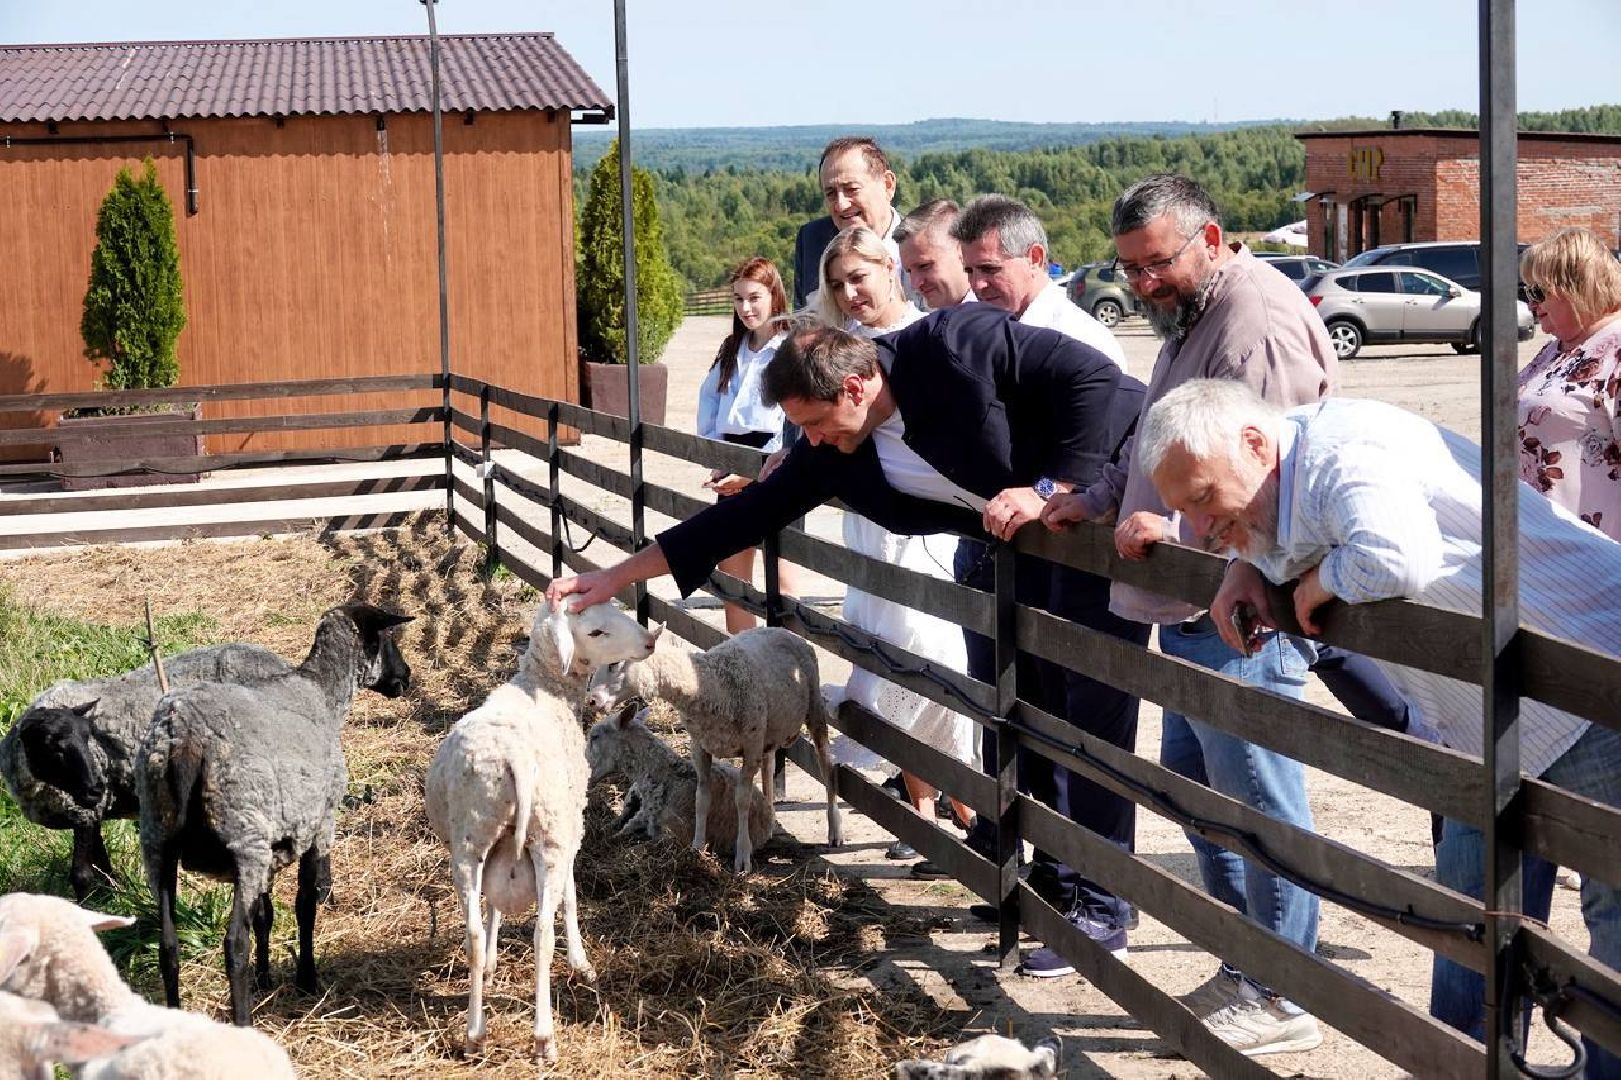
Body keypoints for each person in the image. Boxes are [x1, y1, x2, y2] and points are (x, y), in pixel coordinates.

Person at [545, 306, 1146, 963]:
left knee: (1089, 712)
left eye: (814, 423)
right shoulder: (836, 450)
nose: (810, 441)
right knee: (1030, 713)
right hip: (1021, 543)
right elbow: (738, 519)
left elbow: (1096, 381)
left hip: (1103, 515)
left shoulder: (950, 345)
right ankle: (1058, 882)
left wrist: (1055, 485)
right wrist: (614, 576)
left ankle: (1102, 906)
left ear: (855, 387)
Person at [1139, 378, 1621, 1079]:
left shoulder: (1342, 452)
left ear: (1254, 444)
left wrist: (1316, 583)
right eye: (1183, 508)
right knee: (1469, 917)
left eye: (1203, 499)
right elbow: (1282, 521)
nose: (1199, 527)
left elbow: (1395, 556)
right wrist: (1243, 561)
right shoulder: (1279, 464)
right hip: (1496, 721)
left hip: (1586, 681)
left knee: (1611, 916)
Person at [1038, 173, 1337, 1056]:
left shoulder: (1255, 324)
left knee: (1256, 796)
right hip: (1198, 598)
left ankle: (1282, 990)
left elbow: (1273, 479)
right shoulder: (1193, 315)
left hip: (1245, 602)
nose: (1141, 283)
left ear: (1209, 240)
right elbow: (1155, 436)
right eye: (1128, 268)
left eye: (1155, 264)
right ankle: (1249, 967)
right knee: (1201, 787)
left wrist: (1170, 527)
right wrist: (1101, 496)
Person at [814, 226, 975, 851]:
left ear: (890, 268)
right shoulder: (841, 349)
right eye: (838, 284)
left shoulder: (927, 336)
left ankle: (970, 810)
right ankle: (923, 818)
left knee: (936, 655)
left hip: (925, 526)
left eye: (859, 277)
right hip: (869, 525)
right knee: (886, 656)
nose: (851, 293)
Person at [696, 257, 801, 635]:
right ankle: (744, 659)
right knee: (733, 577)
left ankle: (787, 657)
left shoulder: (790, 349)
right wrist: (718, 456)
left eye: (754, 297)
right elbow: (709, 401)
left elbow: (792, 419)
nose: (746, 308)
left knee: (781, 575)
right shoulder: (732, 348)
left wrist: (755, 469)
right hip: (732, 458)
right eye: (738, 299)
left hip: (776, 463)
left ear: (774, 296)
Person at [1517, 226, 1621, 539]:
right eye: (1527, 293)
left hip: (1597, 552)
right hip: (1543, 546)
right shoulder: (1556, 348)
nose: (1531, 304)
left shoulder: (1616, 348)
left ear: (1575, 287)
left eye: (1537, 293)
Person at [952, 194, 1126, 367]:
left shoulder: (1083, 344)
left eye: (989, 269)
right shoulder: (980, 336)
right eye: (969, 271)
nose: (977, 284)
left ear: (1035, 258)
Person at [791, 137, 908, 309]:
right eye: (831, 193)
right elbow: (803, 317)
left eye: (851, 189)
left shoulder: (923, 244)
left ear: (887, 185)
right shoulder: (812, 240)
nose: (841, 205)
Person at [895, 199, 973, 311]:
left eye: (924, 266)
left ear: (962, 251)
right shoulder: (928, 321)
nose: (915, 283)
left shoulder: (996, 315)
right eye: (909, 271)